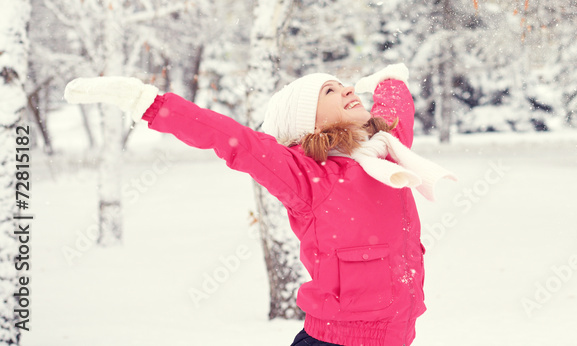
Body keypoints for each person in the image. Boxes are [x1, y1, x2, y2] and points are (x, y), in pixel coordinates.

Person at [64, 64, 455, 346]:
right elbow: (234, 140)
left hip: (400, 331)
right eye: (330, 92)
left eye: (344, 85)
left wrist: (389, 81)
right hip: (339, 341)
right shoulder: (307, 177)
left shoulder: (387, 151)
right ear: (309, 124)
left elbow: (395, 112)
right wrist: (148, 103)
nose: (348, 90)